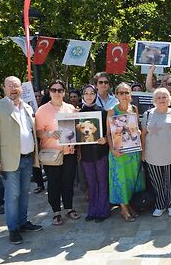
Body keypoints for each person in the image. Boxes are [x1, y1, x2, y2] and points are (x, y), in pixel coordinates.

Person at [0, 76, 42, 244]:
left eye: (16, 86)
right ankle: (13, 228)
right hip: (9, 160)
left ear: (22, 88)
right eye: (10, 86)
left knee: (24, 193)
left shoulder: (28, 107)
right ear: (4, 88)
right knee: (12, 194)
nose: (13, 89)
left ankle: (23, 222)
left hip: (27, 157)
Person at [36, 80, 80, 226]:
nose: (57, 92)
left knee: (68, 182)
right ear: (49, 92)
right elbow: (38, 132)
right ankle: (56, 212)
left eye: (60, 90)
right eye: (54, 90)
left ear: (64, 92)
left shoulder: (71, 109)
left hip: (69, 152)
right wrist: (49, 134)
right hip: (52, 154)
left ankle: (69, 208)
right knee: (54, 184)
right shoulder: (42, 110)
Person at [141, 88, 171, 217]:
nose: (162, 100)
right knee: (157, 182)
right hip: (152, 156)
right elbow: (143, 135)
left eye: (164, 97)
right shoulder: (148, 114)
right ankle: (160, 205)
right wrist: (143, 152)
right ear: (154, 100)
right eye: (159, 97)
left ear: (169, 99)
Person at [107, 82, 145, 222]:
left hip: (133, 151)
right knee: (121, 180)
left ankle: (129, 205)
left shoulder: (134, 109)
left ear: (130, 94)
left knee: (132, 180)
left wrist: (138, 131)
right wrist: (113, 150)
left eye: (127, 92)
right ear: (116, 95)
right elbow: (108, 134)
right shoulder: (112, 111)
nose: (124, 95)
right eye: (121, 93)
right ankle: (123, 209)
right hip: (119, 153)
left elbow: (136, 128)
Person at [79, 85, 110, 223]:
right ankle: (92, 211)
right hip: (86, 155)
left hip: (100, 153)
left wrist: (106, 139)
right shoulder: (78, 113)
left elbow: (110, 133)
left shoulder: (103, 112)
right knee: (91, 183)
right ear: (83, 95)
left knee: (102, 181)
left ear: (96, 95)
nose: (89, 96)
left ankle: (103, 211)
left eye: (92, 93)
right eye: (86, 93)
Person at [32, 88, 45, 194]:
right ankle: (39, 184)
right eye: (35, 96)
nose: (37, 98)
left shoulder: (45, 107)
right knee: (36, 162)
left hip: (45, 138)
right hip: (34, 138)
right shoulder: (28, 109)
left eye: (39, 96)